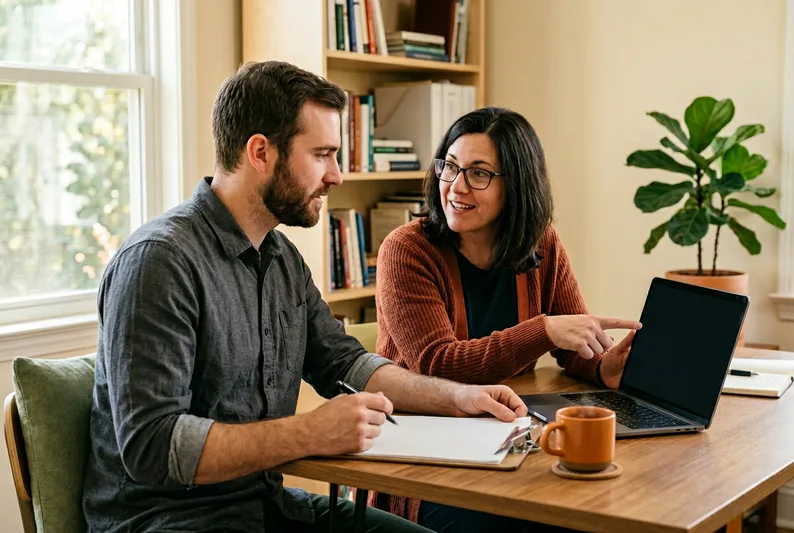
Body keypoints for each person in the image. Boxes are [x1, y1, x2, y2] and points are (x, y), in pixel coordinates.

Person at [81, 62, 531, 533]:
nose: (336, 175)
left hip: (269, 508)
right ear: (261, 153)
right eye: (322, 155)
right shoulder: (160, 262)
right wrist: (310, 432)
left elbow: (346, 366)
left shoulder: (281, 259)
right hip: (169, 521)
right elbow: (151, 446)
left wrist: (459, 398)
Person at [369, 107, 643, 532]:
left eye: (478, 173)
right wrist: (544, 329)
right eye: (451, 167)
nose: (456, 187)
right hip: (423, 457)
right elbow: (437, 364)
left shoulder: (541, 243)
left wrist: (601, 365)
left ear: (516, 185)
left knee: (605, 508)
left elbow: (574, 349)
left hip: (509, 443)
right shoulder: (407, 250)